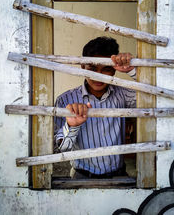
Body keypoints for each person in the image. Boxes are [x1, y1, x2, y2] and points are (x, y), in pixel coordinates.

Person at [54, 36, 136, 179]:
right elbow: (62, 148)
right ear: (82, 67)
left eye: (106, 69)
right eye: (92, 69)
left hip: (119, 175)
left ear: (114, 70)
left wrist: (132, 71)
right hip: (82, 176)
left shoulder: (123, 95)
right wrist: (72, 126)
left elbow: (155, 98)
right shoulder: (65, 100)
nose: (98, 76)